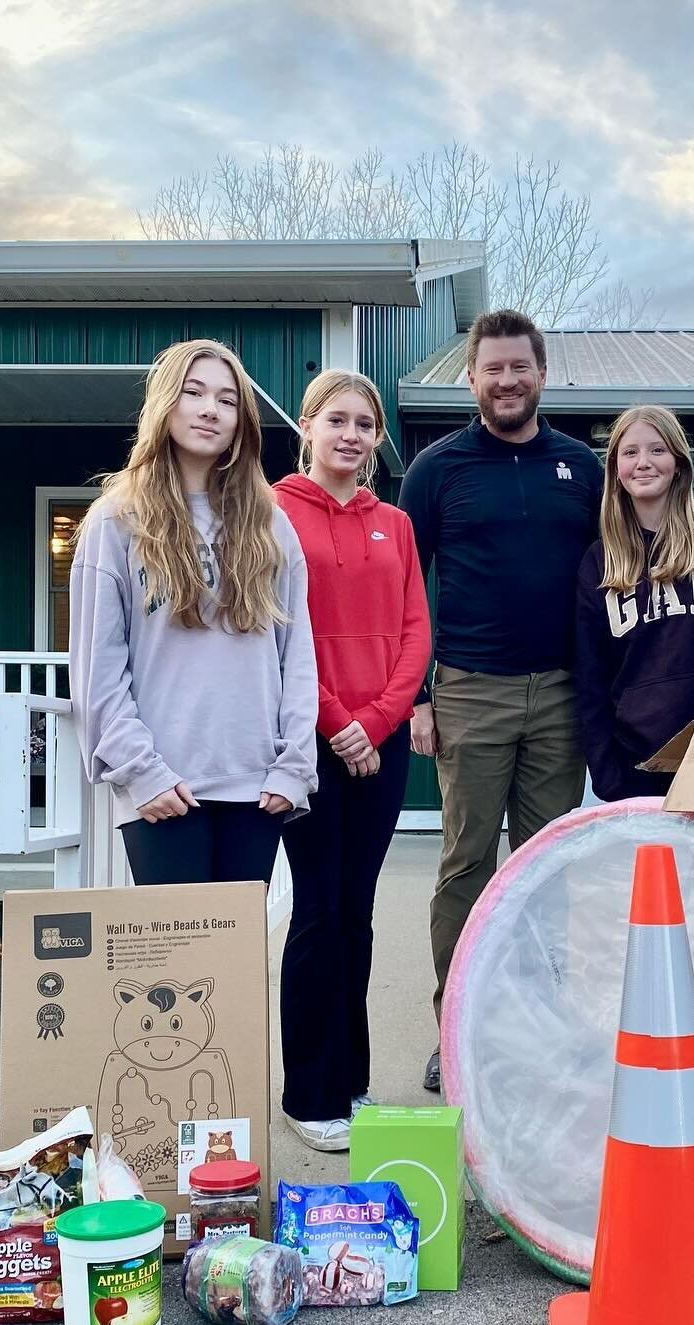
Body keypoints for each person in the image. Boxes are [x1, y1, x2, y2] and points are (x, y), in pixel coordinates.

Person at [401, 309, 603, 1091]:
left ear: (541, 374)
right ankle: (455, 1028)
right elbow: (404, 589)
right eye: (493, 369)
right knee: (466, 865)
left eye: (521, 367)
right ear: (473, 378)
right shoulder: (439, 470)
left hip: (560, 694)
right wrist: (420, 697)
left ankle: (540, 1026)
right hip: (468, 692)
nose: (507, 380)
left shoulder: (581, 469)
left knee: (545, 869)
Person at [69, 338, 318, 889]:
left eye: (227, 400)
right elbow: (97, 671)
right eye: (194, 392)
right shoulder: (115, 523)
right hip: (165, 791)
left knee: (236, 972)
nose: (210, 409)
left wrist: (294, 766)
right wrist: (142, 773)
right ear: (165, 405)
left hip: (257, 789)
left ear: (241, 422)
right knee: (177, 974)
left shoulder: (272, 527)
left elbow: (296, 657)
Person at [271, 370, 431, 1152]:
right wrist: (340, 724)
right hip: (310, 740)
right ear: (308, 426)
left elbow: (414, 632)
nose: (352, 435)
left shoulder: (393, 522)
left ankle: (353, 1082)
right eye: (337, 420)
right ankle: (307, 1090)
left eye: (365, 424)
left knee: (359, 913)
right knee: (319, 908)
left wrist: (379, 720)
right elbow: (283, 632)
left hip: (381, 742)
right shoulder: (271, 512)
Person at [574, 405, 694, 801]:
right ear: (615, 470)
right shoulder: (599, 560)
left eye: (657, 450)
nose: (643, 463)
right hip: (638, 764)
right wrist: (607, 774)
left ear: (679, 462)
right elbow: (590, 677)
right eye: (630, 453)